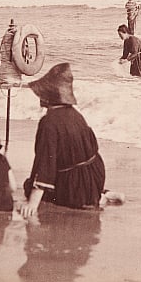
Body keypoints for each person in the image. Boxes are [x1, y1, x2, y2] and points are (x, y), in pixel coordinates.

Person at [19, 63, 107, 218]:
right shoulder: (76, 114)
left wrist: (32, 204)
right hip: (94, 177)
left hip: (76, 190)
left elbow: (45, 163)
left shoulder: (49, 122)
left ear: (49, 96)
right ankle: (100, 194)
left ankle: (97, 197)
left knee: (28, 186)